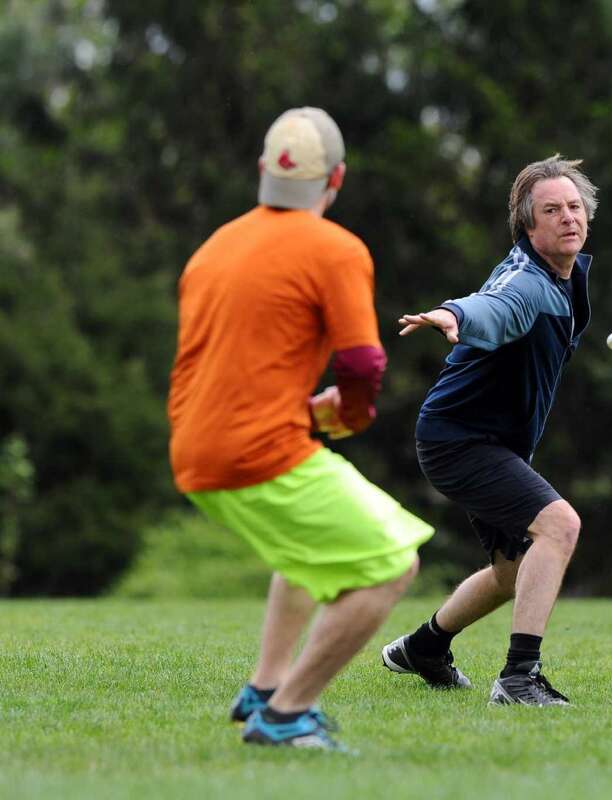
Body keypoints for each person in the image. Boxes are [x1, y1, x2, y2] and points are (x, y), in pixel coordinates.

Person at [167, 107, 434, 750]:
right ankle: (288, 715)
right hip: (259, 450)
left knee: (306, 555)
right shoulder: (336, 247)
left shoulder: (215, 246)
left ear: (263, 171)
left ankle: (264, 687)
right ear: (335, 179)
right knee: (390, 565)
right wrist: (354, 414)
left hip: (195, 448)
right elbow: (363, 361)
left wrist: (299, 409)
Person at [379, 155, 597, 706]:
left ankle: (424, 647)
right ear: (528, 227)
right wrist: (455, 315)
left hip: (485, 441)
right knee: (560, 527)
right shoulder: (528, 281)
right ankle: (519, 677)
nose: (568, 218)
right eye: (552, 211)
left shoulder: (564, 278)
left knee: (512, 573)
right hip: (460, 440)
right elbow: (496, 308)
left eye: (574, 207)